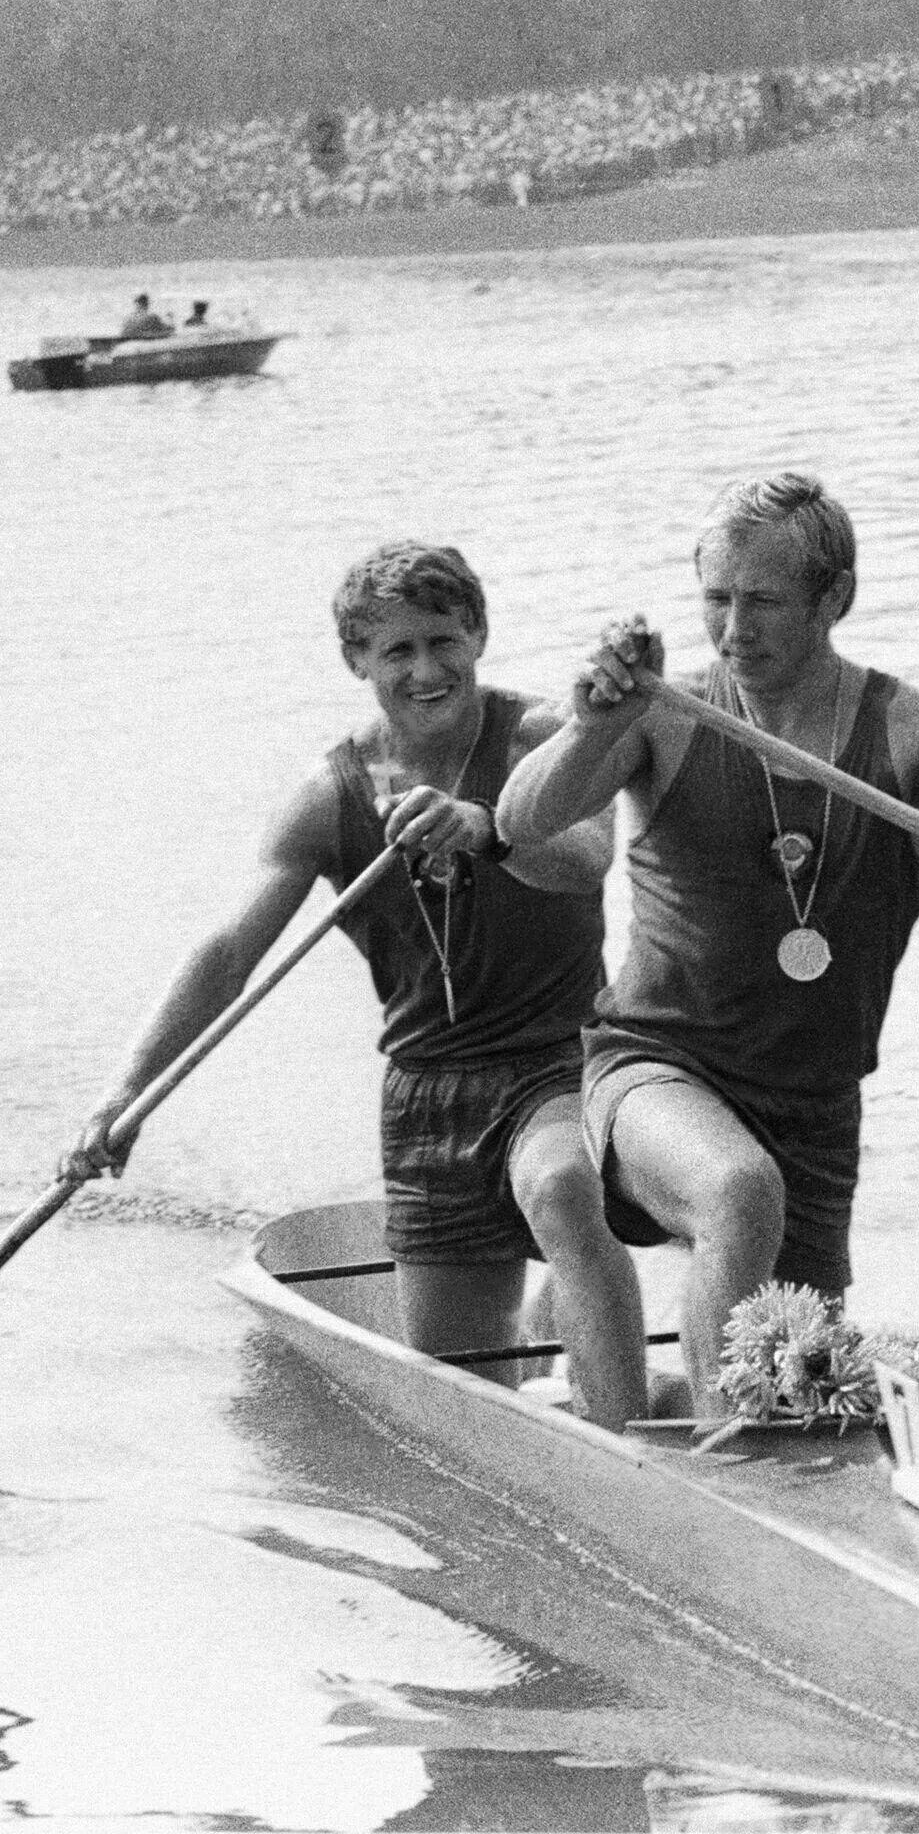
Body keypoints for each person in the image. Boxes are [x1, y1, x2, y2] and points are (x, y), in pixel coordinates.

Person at [497, 472, 919, 1417]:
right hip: (655, 1073)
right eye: (716, 600)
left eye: (763, 602)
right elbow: (520, 820)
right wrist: (597, 726)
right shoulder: (667, 716)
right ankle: (729, 1469)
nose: (732, 630)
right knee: (738, 1190)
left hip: (815, 1112)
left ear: (834, 598)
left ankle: (650, 1401)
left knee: (800, 1386)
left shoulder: (906, 726)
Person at [60, 542, 660, 1431]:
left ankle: (628, 1449)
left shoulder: (542, 736)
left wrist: (486, 828)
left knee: (563, 1189)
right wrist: (128, 1091)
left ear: (480, 635)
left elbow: (585, 862)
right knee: (461, 1403)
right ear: (357, 663)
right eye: (397, 652)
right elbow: (230, 951)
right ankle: (550, 1339)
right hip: (428, 1097)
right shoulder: (328, 792)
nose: (427, 670)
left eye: (445, 641)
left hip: (561, 1062)